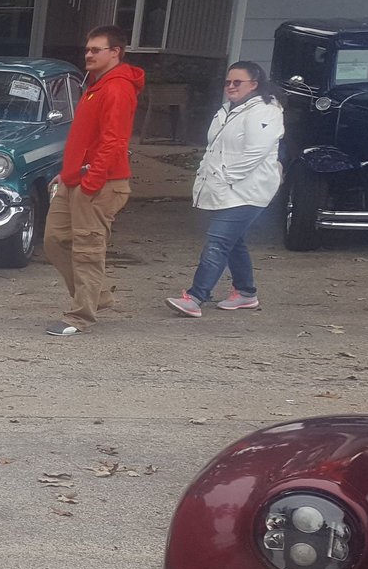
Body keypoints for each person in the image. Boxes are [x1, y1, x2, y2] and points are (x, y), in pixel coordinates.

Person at [42, 25, 144, 337]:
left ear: (116, 52)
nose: (88, 54)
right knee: (54, 240)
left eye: (96, 49)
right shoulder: (99, 85)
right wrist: (70, 172)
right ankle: (97, 296)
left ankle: (80, 316)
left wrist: (91, 180)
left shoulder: (117, 88)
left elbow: (114, 141)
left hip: (98, 183)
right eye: (87, 49)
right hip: (79, 178)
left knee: (87, 248)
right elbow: (88, 137)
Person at [164, 62, 284, 317]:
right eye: (228, 82)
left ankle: (196, 297)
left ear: (255, 84)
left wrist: (227, 177)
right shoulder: (229, 110)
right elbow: (215, 149)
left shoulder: (264, 111)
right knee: (233, 241)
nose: (231, 86)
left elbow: (256, 152)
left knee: (218, 242)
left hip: (249, 190)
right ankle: (245, 293)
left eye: (237, 82)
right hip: (227, 189)